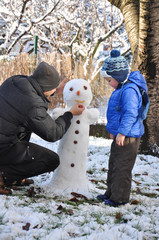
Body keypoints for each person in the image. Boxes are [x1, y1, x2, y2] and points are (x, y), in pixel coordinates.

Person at [0, 61, 85, 195]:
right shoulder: (33, 104)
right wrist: (69, 114)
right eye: (54, 87)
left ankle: (13, 177)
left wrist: (54, 89)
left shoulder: (14, 81)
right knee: (50, 160)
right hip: (4, 147)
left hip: (5, 139)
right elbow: (53, 133)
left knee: (24, 132)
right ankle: (5, 175)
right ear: (47, 88)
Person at [98, 49, 149, 207]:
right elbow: (117, 113)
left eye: (109, 80)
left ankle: (119, 198)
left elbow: (130, 114)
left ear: (118, 76)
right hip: (121, 135)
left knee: (122, 167)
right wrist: (115, 132)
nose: (108, 83)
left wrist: (121, 133)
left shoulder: (129, 91)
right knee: (113, 164)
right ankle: (111, 193)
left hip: (129, 137)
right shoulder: (121, 89)